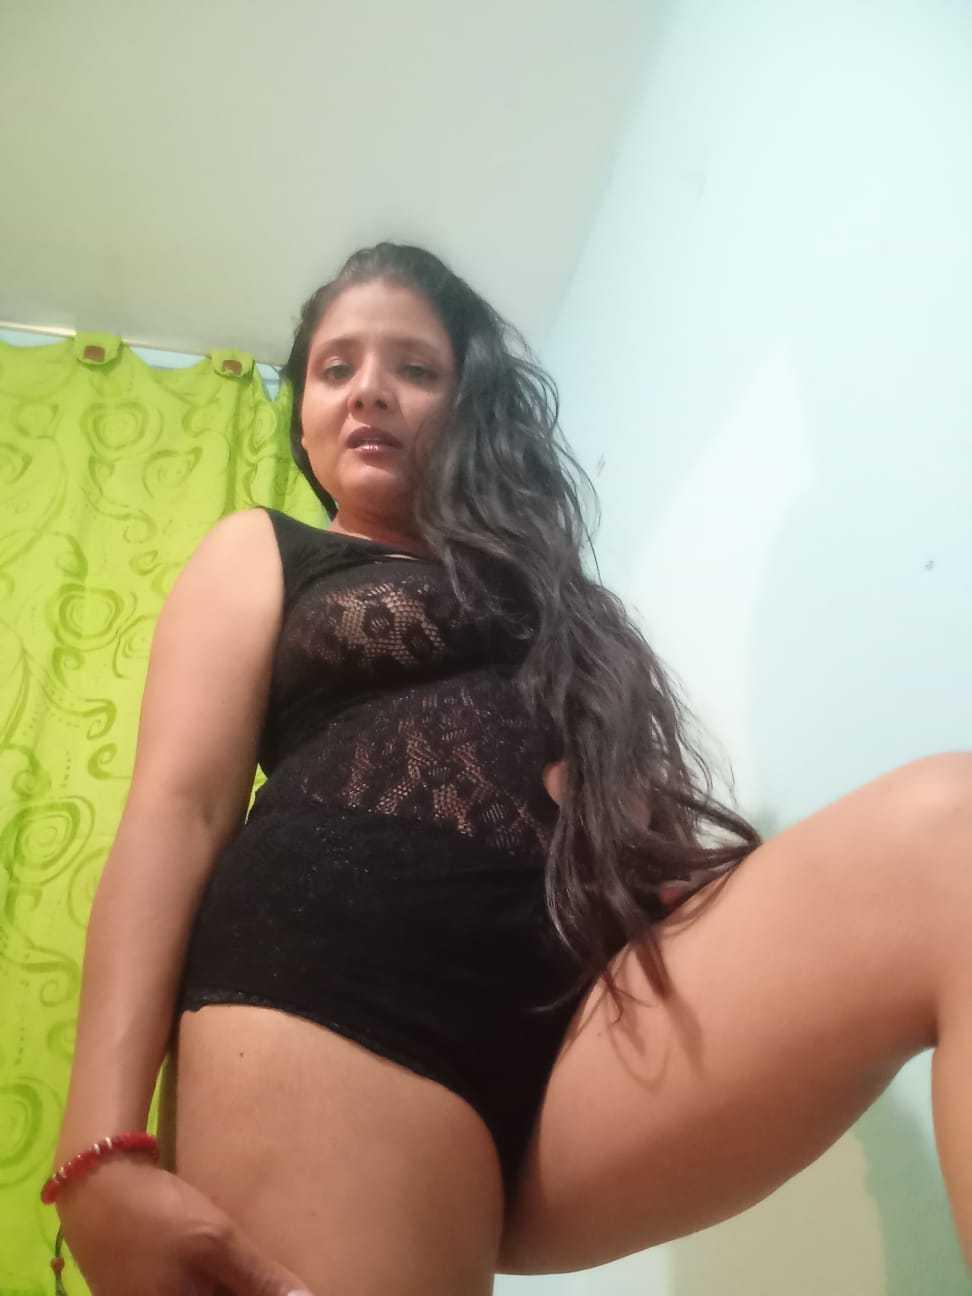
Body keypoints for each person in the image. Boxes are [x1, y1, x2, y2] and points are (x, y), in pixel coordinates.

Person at [49, 242, 971, 1296]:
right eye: (336, 368)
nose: (370, 391)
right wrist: (100, 1147)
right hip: (337, 979)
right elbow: (180, 810)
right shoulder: (268, 550)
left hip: (583, 1023)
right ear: (302, 419)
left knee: (950, 840)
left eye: (415, 368)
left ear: (468, 408)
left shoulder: (563, 607)